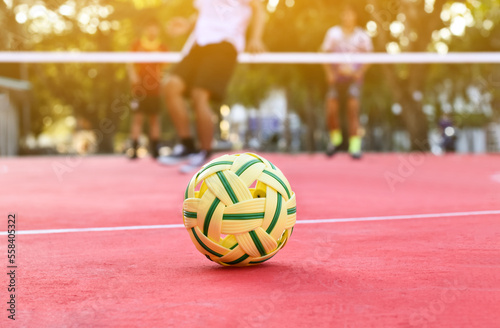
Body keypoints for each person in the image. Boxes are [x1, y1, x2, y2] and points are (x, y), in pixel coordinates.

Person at [158, 0, 266, 173]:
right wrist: (187, 24)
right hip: (199, 44)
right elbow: (205, 12)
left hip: (224, 44)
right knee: (171, 86)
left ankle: (204, 152)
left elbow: (258, 9)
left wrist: (255, 38)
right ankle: (187, 146)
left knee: (199, 94)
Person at [321, 5, 373, 159]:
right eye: (345, 14)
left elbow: (370, 57)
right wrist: (329, 73)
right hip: (336, 79)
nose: (347, 17)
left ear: (355, 16)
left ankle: (355, 146)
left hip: (353, 80)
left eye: (350, 14)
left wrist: (359, 72)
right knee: (331, 110)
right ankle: (335, 141)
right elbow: (324, 53)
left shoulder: (362, 36)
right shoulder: (333, 33)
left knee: (353, 109)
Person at [127, 19, 167, 159]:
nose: (152, 30)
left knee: (154, 119)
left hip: (154, 89)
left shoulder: (162, 47)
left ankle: (155, 149)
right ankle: (134, 149)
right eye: (150, 27)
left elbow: (165, 67)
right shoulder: (137, 44)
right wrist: (133, 77)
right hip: (139, 88)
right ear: (146, 29)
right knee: (137, 118)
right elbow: (130, 63)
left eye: (155, 28)